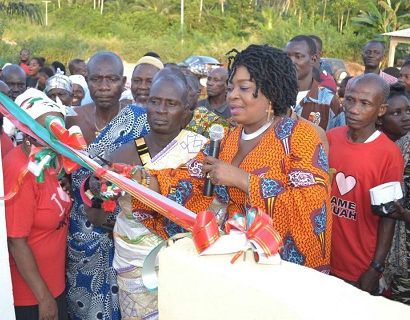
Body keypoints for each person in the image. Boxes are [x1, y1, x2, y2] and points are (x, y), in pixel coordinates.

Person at [132, 44, 332, 271]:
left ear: (272, 92)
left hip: (279, 275)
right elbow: (190, 182)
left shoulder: (299, 137)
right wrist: (139, 180)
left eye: (244, 88)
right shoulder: (225, 138)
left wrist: (242, 179)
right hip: (230, 270)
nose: (232, 96)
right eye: (230, 88)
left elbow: (311, 212)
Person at [108, 75, 206, 320]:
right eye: (155, 101)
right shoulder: (124, 154)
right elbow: (99, 214)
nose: (161, 110)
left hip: (187, 266)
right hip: (135, 269)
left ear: (186, 112)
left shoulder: (201, 153)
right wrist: (97, 192)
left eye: (171, 104)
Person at [66, 51, 149, 320]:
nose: (103, 87)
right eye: (97, 79)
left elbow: (148, 166)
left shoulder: (139, 119)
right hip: (81, 231)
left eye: (111, 79)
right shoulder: (70, 118)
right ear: (86, 80)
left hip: (123, 226)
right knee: (81, 303)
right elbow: (59, 168)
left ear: (123, 82)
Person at [328, 74, 403, 294]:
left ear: (381, 110)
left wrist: (375, 268)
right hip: (322, 256)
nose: (353, 109)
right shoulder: (331, 138)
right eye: (350, 100)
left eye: (365, 104)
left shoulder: (389, 154)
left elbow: (388, 218)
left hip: (358, 267)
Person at [4, 88, 72, 320]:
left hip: (55, 284)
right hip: (33, 296)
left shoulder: (50, 159)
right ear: (26, 131)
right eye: (47, 131)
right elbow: (16, 242)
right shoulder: (19, 170)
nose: (57, 138)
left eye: (59, 130)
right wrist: (44, 298)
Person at [379, 84, 410, 303]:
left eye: (408, 110)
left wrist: (405, 215)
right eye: (396, 113)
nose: (406, 117)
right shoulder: (378, 151)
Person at [285, 35, 344, 131]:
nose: (291, 61)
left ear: (313, 60)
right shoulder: (272, 96)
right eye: (287, 56)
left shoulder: (329, 101)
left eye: (298, 56)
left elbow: (339, 139)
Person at [183, 74, 230, 138]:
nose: (209, 83)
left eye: (216, 80)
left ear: (227, 85)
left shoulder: (232, 110)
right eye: (209, 79)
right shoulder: (198, 105)